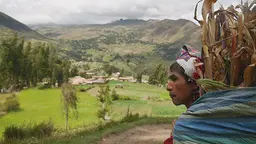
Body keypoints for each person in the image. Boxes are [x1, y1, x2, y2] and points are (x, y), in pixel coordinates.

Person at [164, 45, 203, 144]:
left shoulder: (197, 123)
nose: (168, 87)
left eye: (174, 79)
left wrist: (173, 139)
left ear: (194, 83)